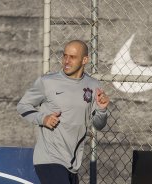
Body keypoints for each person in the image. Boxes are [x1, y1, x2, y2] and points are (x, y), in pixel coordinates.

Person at [17, 40, 110, 184]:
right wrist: (43, 118)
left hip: (73, 164)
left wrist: (102, 110)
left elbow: (98, 125)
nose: (66, 61)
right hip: (49, 159)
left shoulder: (93, 85)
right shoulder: (47, 82)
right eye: (64, 56)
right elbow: (23, 105)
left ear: (85, 60)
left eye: (72, 57)